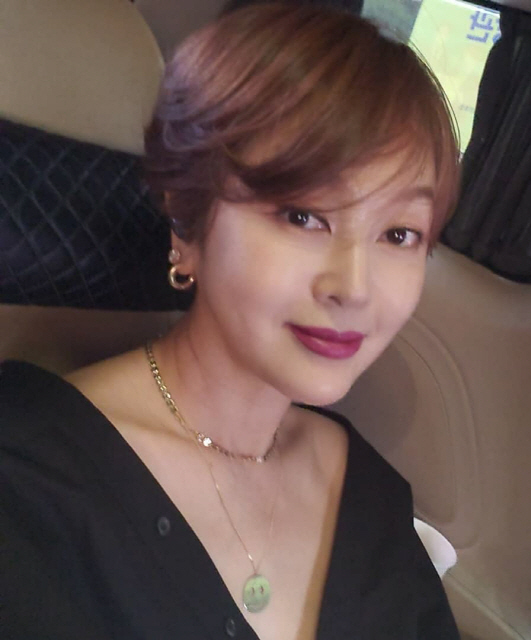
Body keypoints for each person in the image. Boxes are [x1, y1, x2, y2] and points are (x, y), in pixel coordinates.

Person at [0, 3, 460, 639]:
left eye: (400, 233)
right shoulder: (26, 479)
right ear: (186, 225)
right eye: (302, 216)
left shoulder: (370, 494)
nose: (355, 289)